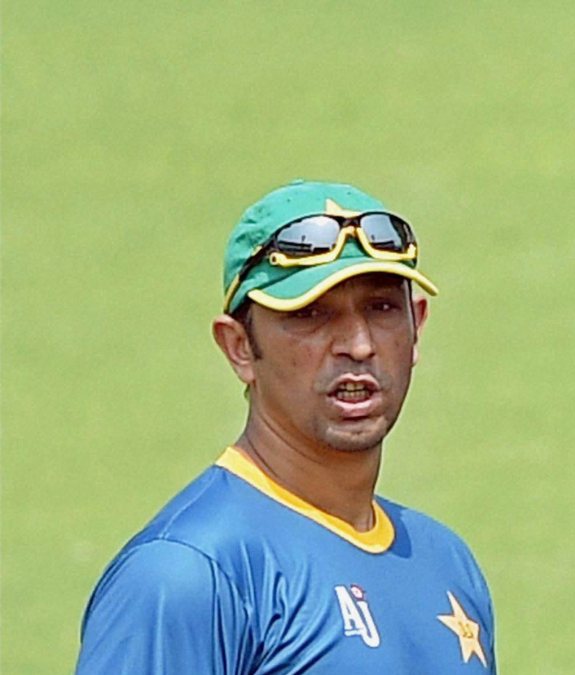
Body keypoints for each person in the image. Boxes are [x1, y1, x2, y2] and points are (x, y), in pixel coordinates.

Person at [76, 180, 496, 673]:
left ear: (416, 325)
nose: (358, 345)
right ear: (239, 347)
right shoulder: (186, 574)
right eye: (311, 314)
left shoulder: (444, 560)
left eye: (381, 308)